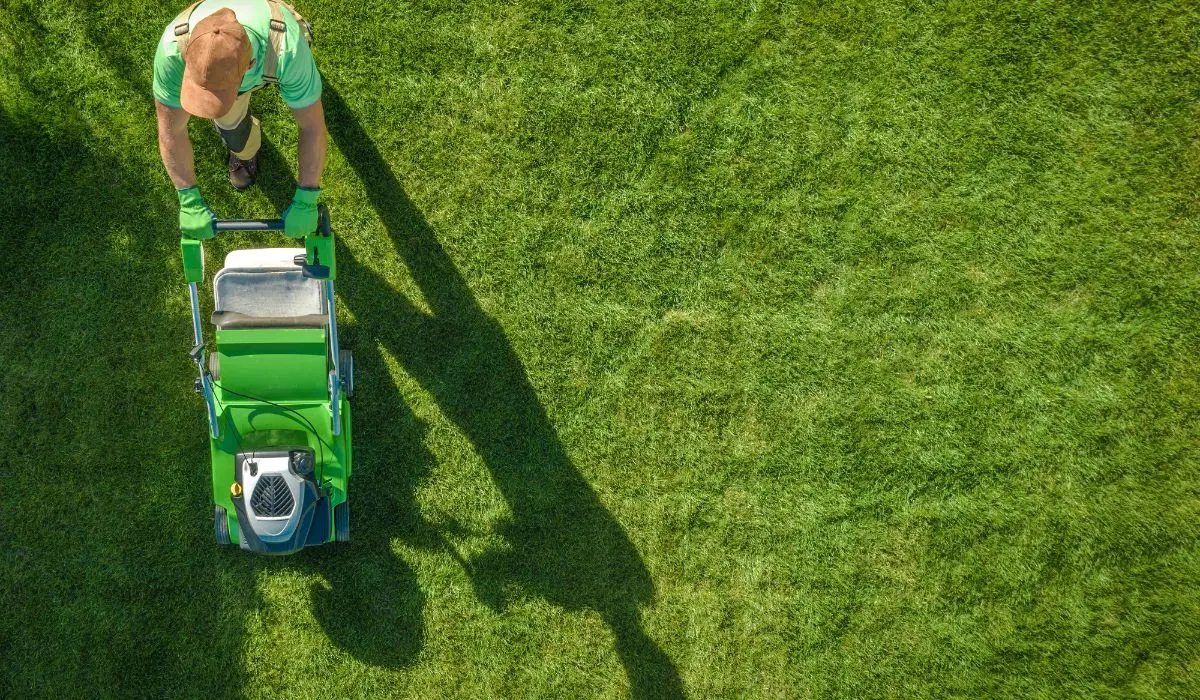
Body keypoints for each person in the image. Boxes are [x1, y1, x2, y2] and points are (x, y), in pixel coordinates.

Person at [153, 0, 326, 240]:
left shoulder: (287, 50)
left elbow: (312, 126)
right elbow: (170, 131)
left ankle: (291, 16)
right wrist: (188, 199)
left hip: (273, 45)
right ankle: (244, 153)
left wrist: (307, 198)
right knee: (232, 130)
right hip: (251, 64)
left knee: (301, 64)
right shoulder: (173, 51)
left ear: (250, 65)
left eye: (218, 92)